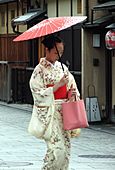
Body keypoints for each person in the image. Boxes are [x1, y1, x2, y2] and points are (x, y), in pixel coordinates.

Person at [29, 35, 80, 170]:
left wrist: (71, 94)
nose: (59, 55)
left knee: (65, 150)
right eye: (56, 52)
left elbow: (72, 86)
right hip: (51, 115)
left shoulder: (62, 68)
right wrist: (56, 86)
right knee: (57, 150)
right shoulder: (39, 70)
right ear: (47, 49)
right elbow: (37, 93)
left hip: (64, 113)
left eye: (61, 52)